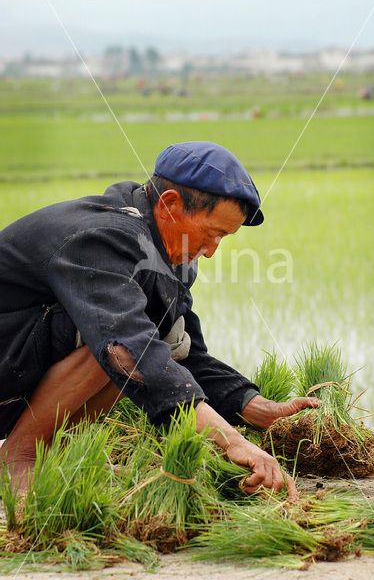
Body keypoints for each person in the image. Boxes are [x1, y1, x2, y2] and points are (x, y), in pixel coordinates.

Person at [0, 141, 318, 494]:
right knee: (120, 346)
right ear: (169, 205)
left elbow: (184, 353)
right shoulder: (106, 238)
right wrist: (233, 443)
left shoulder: (169, 254)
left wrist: (256, 408)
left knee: (163, 339)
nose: (212, 251)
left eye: (224, 238)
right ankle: (21, 455)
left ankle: (50, 453)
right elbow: (130, 346)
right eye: (212, 233)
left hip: (21, 366)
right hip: (8, 357)